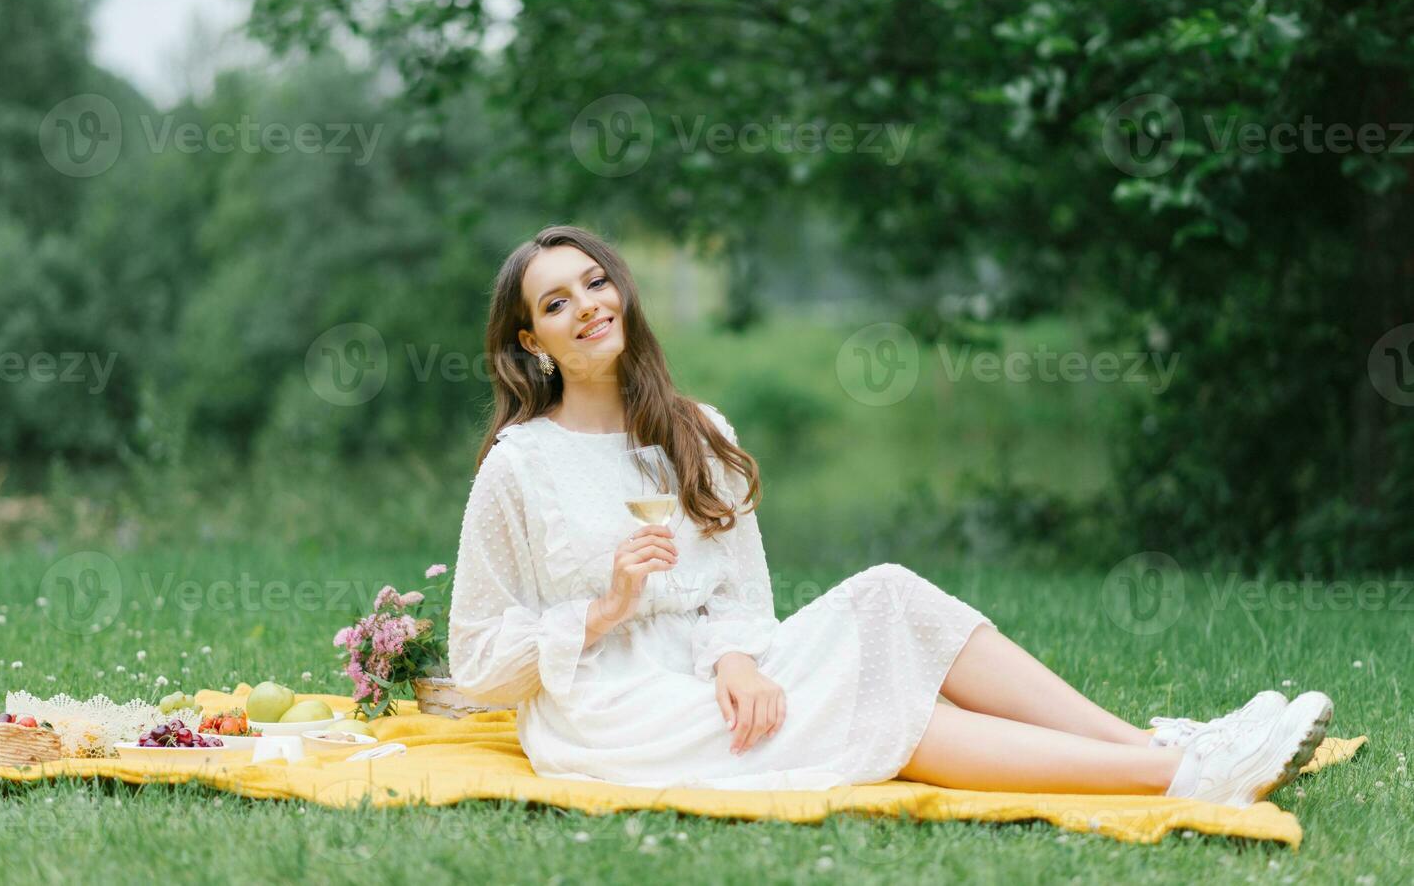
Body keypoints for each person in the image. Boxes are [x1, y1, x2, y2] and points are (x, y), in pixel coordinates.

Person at [447, 224, 1332, 804]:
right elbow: (480, 663)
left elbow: (741, 595)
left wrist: (738, 661)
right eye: (555, 303)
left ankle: (1155, 742)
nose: (587, 308)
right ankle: (1181, 774)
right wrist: (601, 610)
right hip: (615, 709)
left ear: (623, 294)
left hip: (711, 678)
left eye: (595, 283)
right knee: (878, 696)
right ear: (532, 343)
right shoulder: (519, 468)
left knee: (889, 592)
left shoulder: (697, 433)